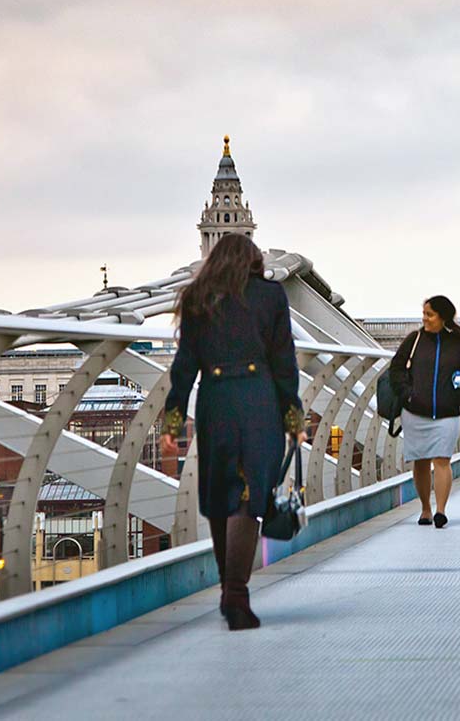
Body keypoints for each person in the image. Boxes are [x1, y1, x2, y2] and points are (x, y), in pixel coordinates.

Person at [159, 233, 305, 631]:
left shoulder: (197, 297)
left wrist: (173, 419)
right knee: (248, 496)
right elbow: (284, 360)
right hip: (260, 402)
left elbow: (184, 364)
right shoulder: (271, 295)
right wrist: (293, 417)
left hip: (216, 402)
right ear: (255, 260)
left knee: (221, 493)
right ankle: (235, 595)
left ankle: (230, 588)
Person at [389, 295, 460, 529]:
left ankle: (440, 510)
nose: (424, 318)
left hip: (447, 413)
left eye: (430, 314)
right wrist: (409, 394)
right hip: (415, 411)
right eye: (424, 313)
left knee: (442, 459)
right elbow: (396, 369)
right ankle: (425, 508)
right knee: (420, 461)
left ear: (442, 317)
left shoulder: (458, 343)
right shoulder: (414, 339)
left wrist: (455, 397)